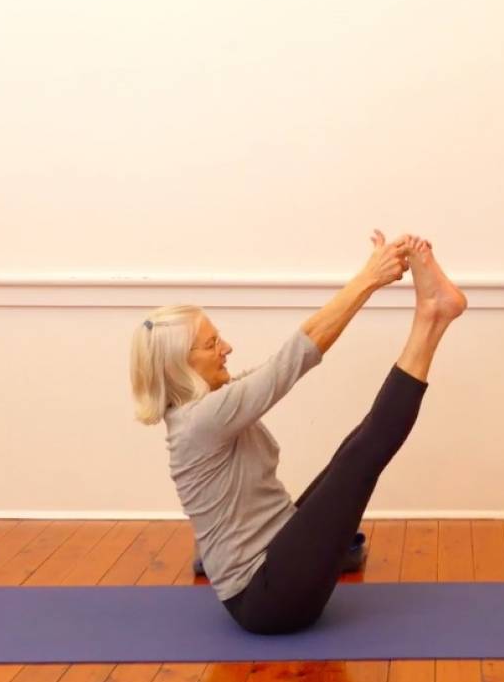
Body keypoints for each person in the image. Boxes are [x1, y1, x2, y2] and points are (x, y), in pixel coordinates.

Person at [130, 231, 467, 634]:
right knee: (362, 456)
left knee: (349, 455)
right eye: (211, 343)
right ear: (179, 365)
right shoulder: (202, 420)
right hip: (266, 597)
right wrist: (367, 280)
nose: (227, 347)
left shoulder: (205, 410)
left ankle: (433, 313)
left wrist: (369, 280)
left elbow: (278, 364)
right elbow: (293, 361)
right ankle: (431, 318)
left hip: (279, 559)